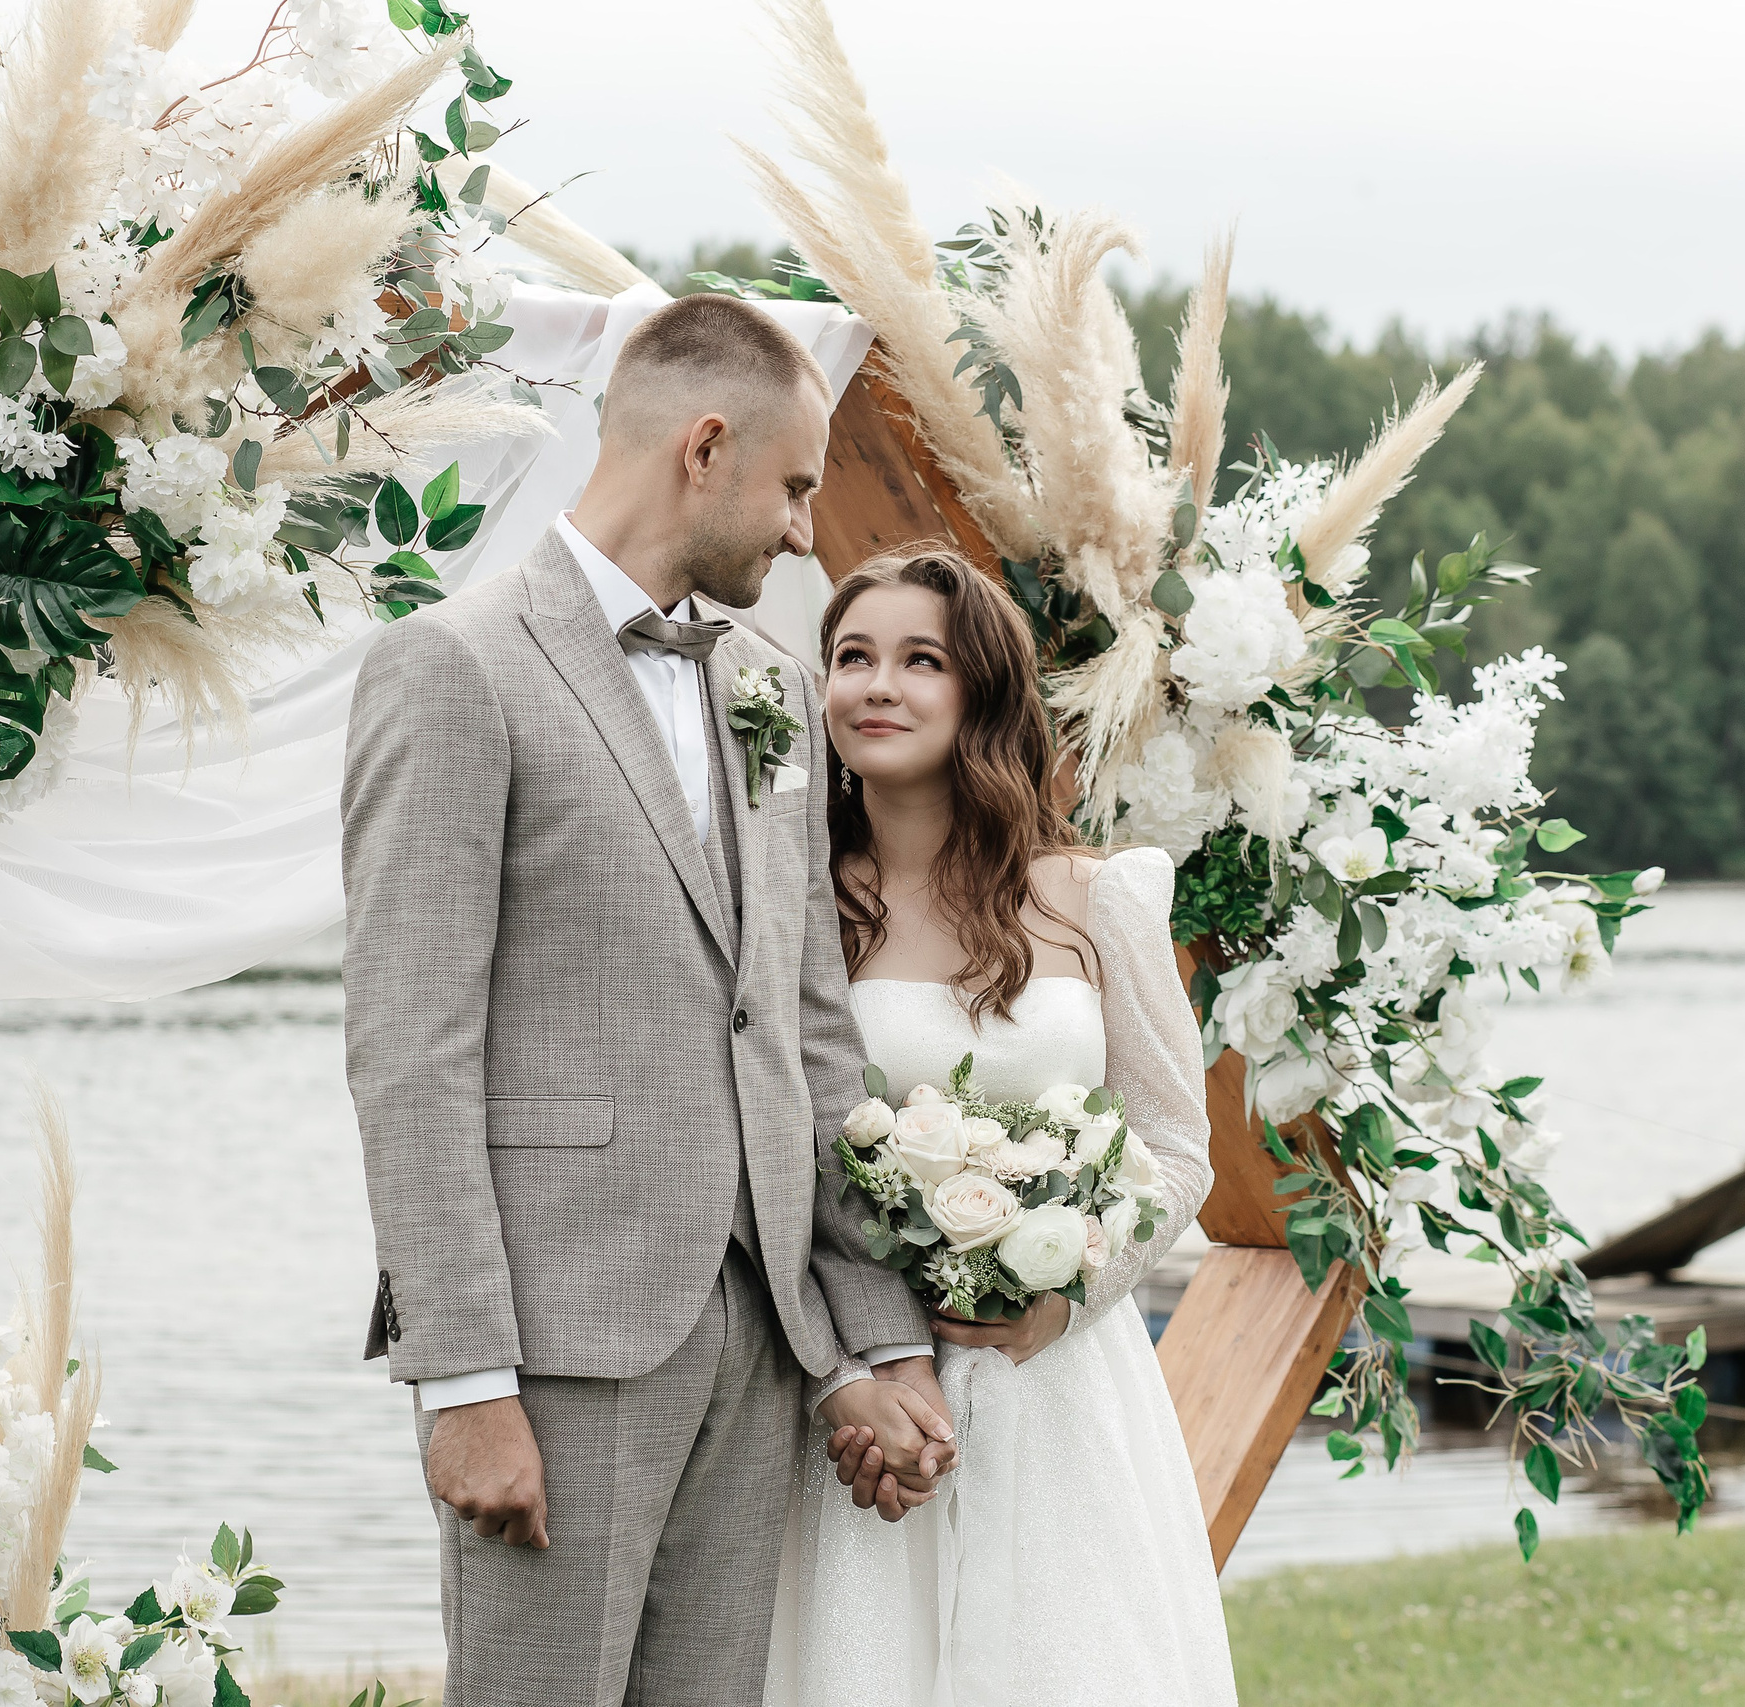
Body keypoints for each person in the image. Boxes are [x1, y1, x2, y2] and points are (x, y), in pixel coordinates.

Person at [339, 293, 961, 1707]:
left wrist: (878, 1331)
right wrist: (463, 1379)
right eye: (794, 486)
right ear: (704, 447)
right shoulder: (454, 667)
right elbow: (409, 1052)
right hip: (556, 1342)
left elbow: (808, 1033)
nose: (802, 532)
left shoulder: (770, 688)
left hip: (760, 1337)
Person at [765, 548, 1239, 1706]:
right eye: (851, 657)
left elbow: (1177, 1148)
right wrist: (843, 1376)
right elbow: (762, 1159)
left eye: (919, 660)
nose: (877, 685)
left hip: (1057, 1385)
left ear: (981, 689)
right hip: (862, 1392)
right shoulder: (785, 903)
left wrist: (1064, 1293)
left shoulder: (1092, 900)